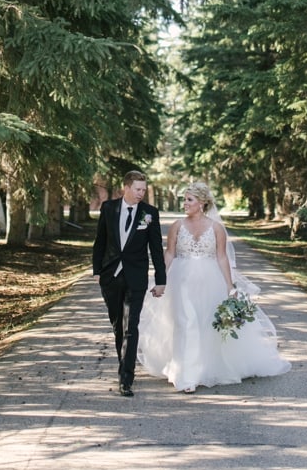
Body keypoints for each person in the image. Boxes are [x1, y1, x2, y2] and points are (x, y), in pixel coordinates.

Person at [137, 182, 290, 392]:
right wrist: (160, 280)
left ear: (202, 203)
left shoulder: (216, 228)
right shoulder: (177, 226)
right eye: (184, 199)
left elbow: (222, 257)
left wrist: (230, 286)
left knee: (207, 324)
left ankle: (206, 368)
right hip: (181, 280)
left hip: (211, 281)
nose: (185, 204)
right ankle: (186, 375)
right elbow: (170, 253)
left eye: (189, 200)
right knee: (186, 323)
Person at [92, 170, 167, 397]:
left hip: (136, 278)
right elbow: (100, 242)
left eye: (144, 190)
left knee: (130, 327)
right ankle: (124, 364)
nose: (141, 194)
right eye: (137, 189)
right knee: (118, 327)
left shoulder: (149, 213)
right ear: (126, 188)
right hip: (110, 277)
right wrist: (97, 270)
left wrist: (161, 280)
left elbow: (155, 249)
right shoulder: (108, 208)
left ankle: (126, 379)